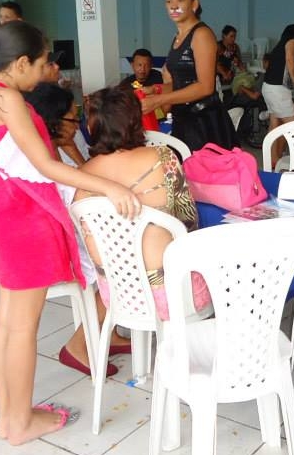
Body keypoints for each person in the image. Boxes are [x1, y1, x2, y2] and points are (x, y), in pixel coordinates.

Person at [0, 20, 140, 445]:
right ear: (20, 64)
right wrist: (109, 187)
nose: (47, 70)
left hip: (4, 224)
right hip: (29, 226)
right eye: (43, 62)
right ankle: (20, 423)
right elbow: (47, 166)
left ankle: (10, 417)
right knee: (22, 329)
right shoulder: (9, 99)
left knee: (6, 326)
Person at [69, 87, 211, 371]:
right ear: (135, 121)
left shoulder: (81, 177)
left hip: (118, 294)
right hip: (173, 295)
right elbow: (188, 222)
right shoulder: (163, 157)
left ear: (92, 126)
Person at [22, 83, 128, 377]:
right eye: (72, 118)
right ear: (53, 123)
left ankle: (109, 331)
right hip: (53, 246)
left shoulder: (48, 150)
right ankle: (78, 345)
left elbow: (83, 176)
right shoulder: (44, 163)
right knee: (128, 263)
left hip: (61, 232)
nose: (77, 125)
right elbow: (82, 192)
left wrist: (68, 147)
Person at [140, 0, 235, 152]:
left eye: (180, 0)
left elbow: (205, 87)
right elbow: (181, 83)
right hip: (184, 120)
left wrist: (160, 99)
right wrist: (156, 89)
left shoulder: (201, 34)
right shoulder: (178, 37)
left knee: (203, 170)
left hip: (204, 123)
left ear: (194, 4)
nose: (173, 6)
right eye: (169, 1)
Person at [261, 24, 294, 161]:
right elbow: (290, 60)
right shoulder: (292, 41)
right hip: (277, 90)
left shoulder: (280, 45)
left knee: (274, 125)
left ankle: (272, 160)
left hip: (268, 87)